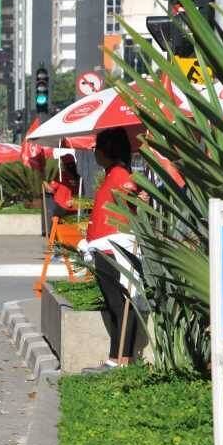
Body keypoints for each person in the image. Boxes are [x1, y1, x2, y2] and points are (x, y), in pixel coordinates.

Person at [80, 127, 148, 372]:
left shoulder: (119, 174)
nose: (94, 152)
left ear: (107, 150)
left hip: (113, 246)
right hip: (104, 245)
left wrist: (140, 196)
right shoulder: (113, 173)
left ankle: (122, 359)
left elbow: (133, 191)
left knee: (120, 302)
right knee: (115, 303)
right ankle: (116, 357)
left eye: (96, 147)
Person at [45, 154, 79, 227]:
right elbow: (81, 192)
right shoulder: (78, 177)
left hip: (60, 208)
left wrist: (44, 182)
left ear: (64, 164)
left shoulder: (61, 176)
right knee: (69, 230)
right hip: (73, 208)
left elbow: (50, 189)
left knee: (56, 229)